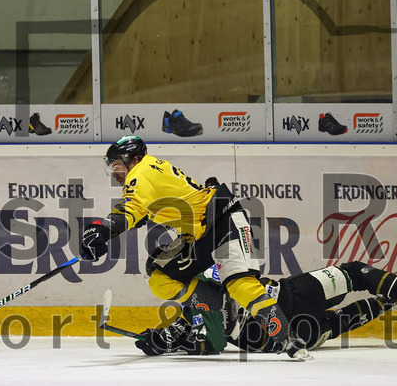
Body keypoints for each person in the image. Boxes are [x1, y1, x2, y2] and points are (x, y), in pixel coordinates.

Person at [79, 135, 309, 358]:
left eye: (118, 166)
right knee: (160, 276)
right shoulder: (150, 169)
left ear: (134, 159)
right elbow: (143, 211)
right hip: (200, 233)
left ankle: (289, 340)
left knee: (242, 286)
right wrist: (107, 233)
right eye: (112, 170)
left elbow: (131, 207)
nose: (116, 174)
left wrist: (103, 229)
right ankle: (216, 301)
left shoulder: (139, 174)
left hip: (224, 221)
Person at [132, 260, 397, 356]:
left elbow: (209, 340)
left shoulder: (196, 295)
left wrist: (166, 341)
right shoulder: (203, 278)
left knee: (342, 320)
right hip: (288, 299)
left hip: (279, 336)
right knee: (354, 274)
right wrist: (170, 339)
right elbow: (209, 334)